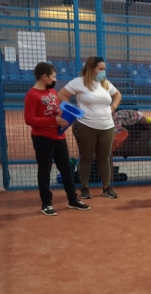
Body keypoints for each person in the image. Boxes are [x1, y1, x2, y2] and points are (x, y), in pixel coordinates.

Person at [24, 62, 90, 216]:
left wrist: (61, 115)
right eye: (53, 77)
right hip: (42, 138)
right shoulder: (32, 95)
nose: (55, 79)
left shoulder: (52, 92)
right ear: (44, 77)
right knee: (44, 170)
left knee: (66, 169)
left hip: (59, 136)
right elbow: (29, 119)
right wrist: (53, 121)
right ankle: (46, 203)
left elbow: (54, 111)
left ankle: (72, 199)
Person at [58, 56, 122, 200]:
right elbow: (61, 95)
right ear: (92, 69)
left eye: (104, 69)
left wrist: (113, 107)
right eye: (101, 69)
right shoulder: (78, 82)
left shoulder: (105, 83)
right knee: (87, 157)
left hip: (107, 126)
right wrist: (74, 110)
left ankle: (107, 187)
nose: (103, 72)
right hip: (86, 126)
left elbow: (117, 94)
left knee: (104, 158)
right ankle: (84, 187)